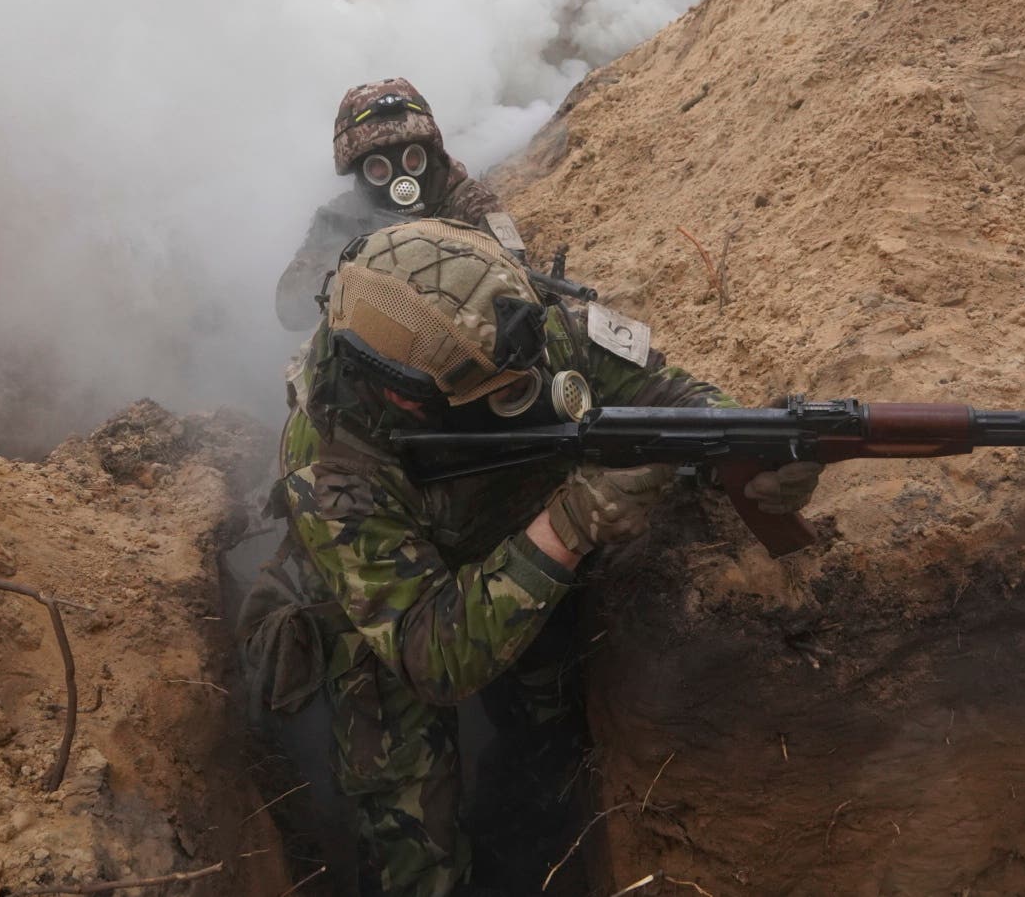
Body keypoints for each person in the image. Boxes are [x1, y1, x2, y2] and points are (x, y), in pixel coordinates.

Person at [243, 218, 820, 895]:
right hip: (387, 623)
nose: (525, 391)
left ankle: (530, 840)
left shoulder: (517, 333)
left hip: (515, 551)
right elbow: (433, 655)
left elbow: (667, 394)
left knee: (549, 747)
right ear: (406, 393)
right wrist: (573, 520)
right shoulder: (333, 463)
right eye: (500, 393)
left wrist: (750, 452)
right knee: (412, 835)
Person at [274, 78, 504, 331]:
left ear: (430, 153)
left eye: (411, 159)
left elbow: (514, 280)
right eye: (378, 167)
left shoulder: (467, 201)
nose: (400, 178)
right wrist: (346, 269)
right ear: (361, 173)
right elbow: (289, 311)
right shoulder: (340, 217)